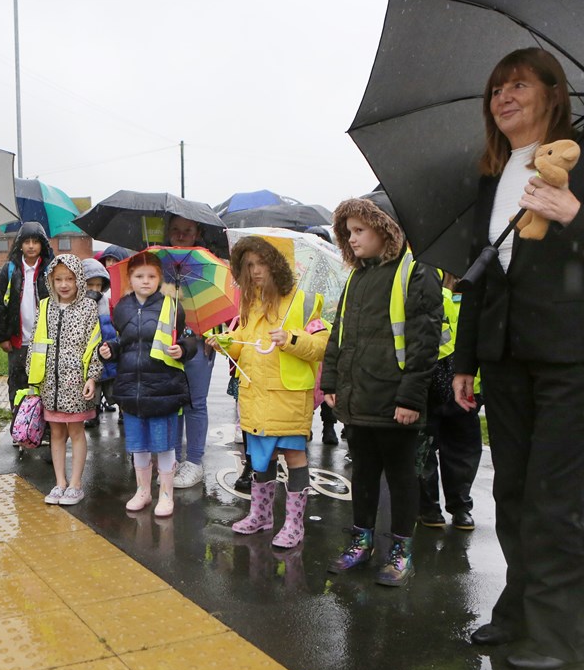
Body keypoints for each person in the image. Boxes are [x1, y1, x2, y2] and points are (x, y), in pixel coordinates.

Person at [453, 48, 584, 670]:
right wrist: (464, 361)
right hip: (507, 357)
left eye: (519, 85)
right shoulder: (494, 176)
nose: (504, 97)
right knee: (513, 493)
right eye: (496, 89)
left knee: (554, 499)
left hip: (576, 356)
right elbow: (482, 278)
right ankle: (520, 611)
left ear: (552, 93)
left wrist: (573, 213)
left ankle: (561, 636)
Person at [320, 197, 442, 587]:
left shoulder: (414, 273)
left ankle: (401, 550)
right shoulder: (357, 276)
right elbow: (340, 334)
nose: (352, 239)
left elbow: (425, 344)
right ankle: (361, 540)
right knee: (365, 472)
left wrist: (410, 398)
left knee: (403, 476)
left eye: (360, 231)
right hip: (359, 398)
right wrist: (332, 383)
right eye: (349, 232)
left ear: (385, 229)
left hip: (395, 400)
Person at [209, 236, 328, 547]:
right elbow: (245, 345)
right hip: (257, 395)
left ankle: (294, 524)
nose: (256, 271)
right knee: (261, 458)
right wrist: (225, 343)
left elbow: (321, 346)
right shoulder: (251, 302)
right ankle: (261, 516)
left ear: (278, 264)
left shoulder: (303, 301)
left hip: (288, 397)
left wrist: (291, 338)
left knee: (293, 456)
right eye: (249, 265)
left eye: (262, 263)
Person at [99, 251, 197, 517]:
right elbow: (123, 342)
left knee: (163, 445)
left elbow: (189, 338)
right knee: (138, 445)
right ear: (130, 279)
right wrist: (109, 349)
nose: (145, 281)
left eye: (151, 276)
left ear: (160, 278)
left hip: (163, 386)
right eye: (139, 276)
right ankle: (143, 491)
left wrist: (183, 349)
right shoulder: (122, 307)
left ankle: (166, 494)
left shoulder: (172, 305)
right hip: (131, 387)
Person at [27, 255, 104, 506]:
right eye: (58, 279)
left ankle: (76, 484)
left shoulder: (88, 308)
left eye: (69, 279)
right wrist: (33, 381)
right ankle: (59, 482)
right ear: (51, 280)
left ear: (79, 280)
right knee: (56, 433)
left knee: (76, 431)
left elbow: (94, 345)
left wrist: (92, 377)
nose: (64, 284)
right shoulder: (45, 306)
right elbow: (34, 344)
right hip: (50, 382)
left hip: (75, 383)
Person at [417, 272, 482, 531]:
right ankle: (430, 507)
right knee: (426, 451)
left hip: (465, 393)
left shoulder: (474, 300)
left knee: (459, 453)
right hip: (431, 387)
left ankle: (458, 506)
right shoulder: (434, 294)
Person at [164, 215, 218, 489]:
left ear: (197, 232)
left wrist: (212, 334)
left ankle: (194, 461)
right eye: (175, 230)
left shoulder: (207, 263)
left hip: (199, 342)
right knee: (172, 403)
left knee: (195, 403)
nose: (181, 235)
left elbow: (219, 303)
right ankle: (171, 459)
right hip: (168, 344)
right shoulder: (158, 264)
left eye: (187, 230)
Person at [0, 221, 54, 412]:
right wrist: (3, 337)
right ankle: (19, 427)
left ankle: (41, 428)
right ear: (19, 244)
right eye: (26, 241)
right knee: (18, 385)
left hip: (44, 341)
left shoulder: (49, 270)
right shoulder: (9, 270)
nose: (31, 246)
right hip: (18, 340)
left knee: (43, 384)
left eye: (35, 241)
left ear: (42, 245)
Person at [80, 258, 118, 429]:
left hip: (108, 351)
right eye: (90, 285)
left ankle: (121, 410)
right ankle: (92, 413)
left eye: (98, 285)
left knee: (113, 387)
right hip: (90, 354)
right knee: (93, 388)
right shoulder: (78, 306)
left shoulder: (107, 303)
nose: (95, 289)